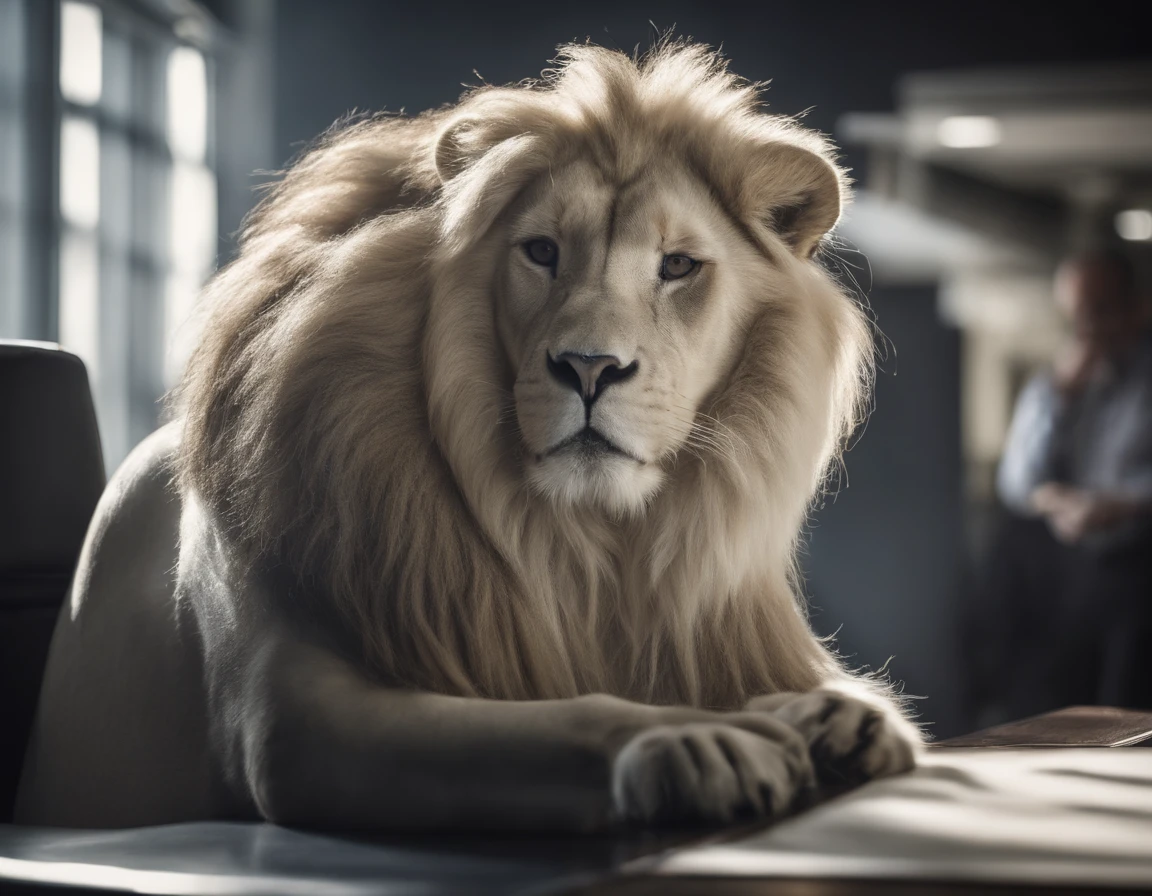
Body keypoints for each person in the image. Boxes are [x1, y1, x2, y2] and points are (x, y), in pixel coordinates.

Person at [971, 250, 1152, 722]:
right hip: (1074, 574)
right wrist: (1059, 397)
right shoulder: (1057, 382)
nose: (1085, 327)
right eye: (1075, 315)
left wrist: (1128, 506)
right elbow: (1017, 482)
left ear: (1138, 306)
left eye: (1100, 310)